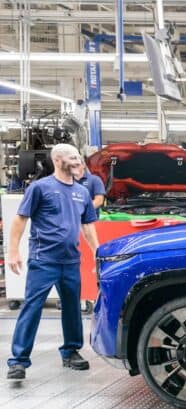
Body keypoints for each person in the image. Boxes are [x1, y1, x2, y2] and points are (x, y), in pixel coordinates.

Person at [6, 143, 100, 381]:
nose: (78, 161)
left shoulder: (82, 192)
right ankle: (18, 361)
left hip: (70, 260)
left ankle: (70, 352)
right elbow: (20, 220)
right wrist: (13, 251)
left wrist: (98, 255)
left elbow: (88, 226)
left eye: (78, 156)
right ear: (57, 160)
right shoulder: (40, 188)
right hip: (44, 260)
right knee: (33, 307)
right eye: (72, 157)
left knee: (72, 308)